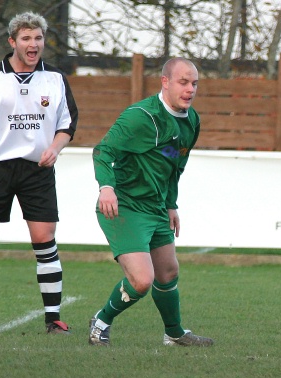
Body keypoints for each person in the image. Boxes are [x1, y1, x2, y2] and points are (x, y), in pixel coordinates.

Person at [0, 12, 77, 334]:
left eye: (38, 38)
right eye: (26, 38)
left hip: (37, 171)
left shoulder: (54, 79)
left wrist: (55, 148)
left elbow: (67, 125)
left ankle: (52, 318)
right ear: (12, 42)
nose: (33, 44)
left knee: (44, 239)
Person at [88, 57, 213, 347]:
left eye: (194, 83)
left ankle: (174, 333)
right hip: (125, 206)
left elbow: (175, 167)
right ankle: (101, 321)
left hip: (155, 207)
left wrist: (171, 204)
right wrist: (106, 187)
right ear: (165, 82)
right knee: (142, 280)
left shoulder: (191, 120)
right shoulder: (141, 116)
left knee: (168, 270)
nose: (190, 89)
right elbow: (103, 151)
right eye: (183, 82)